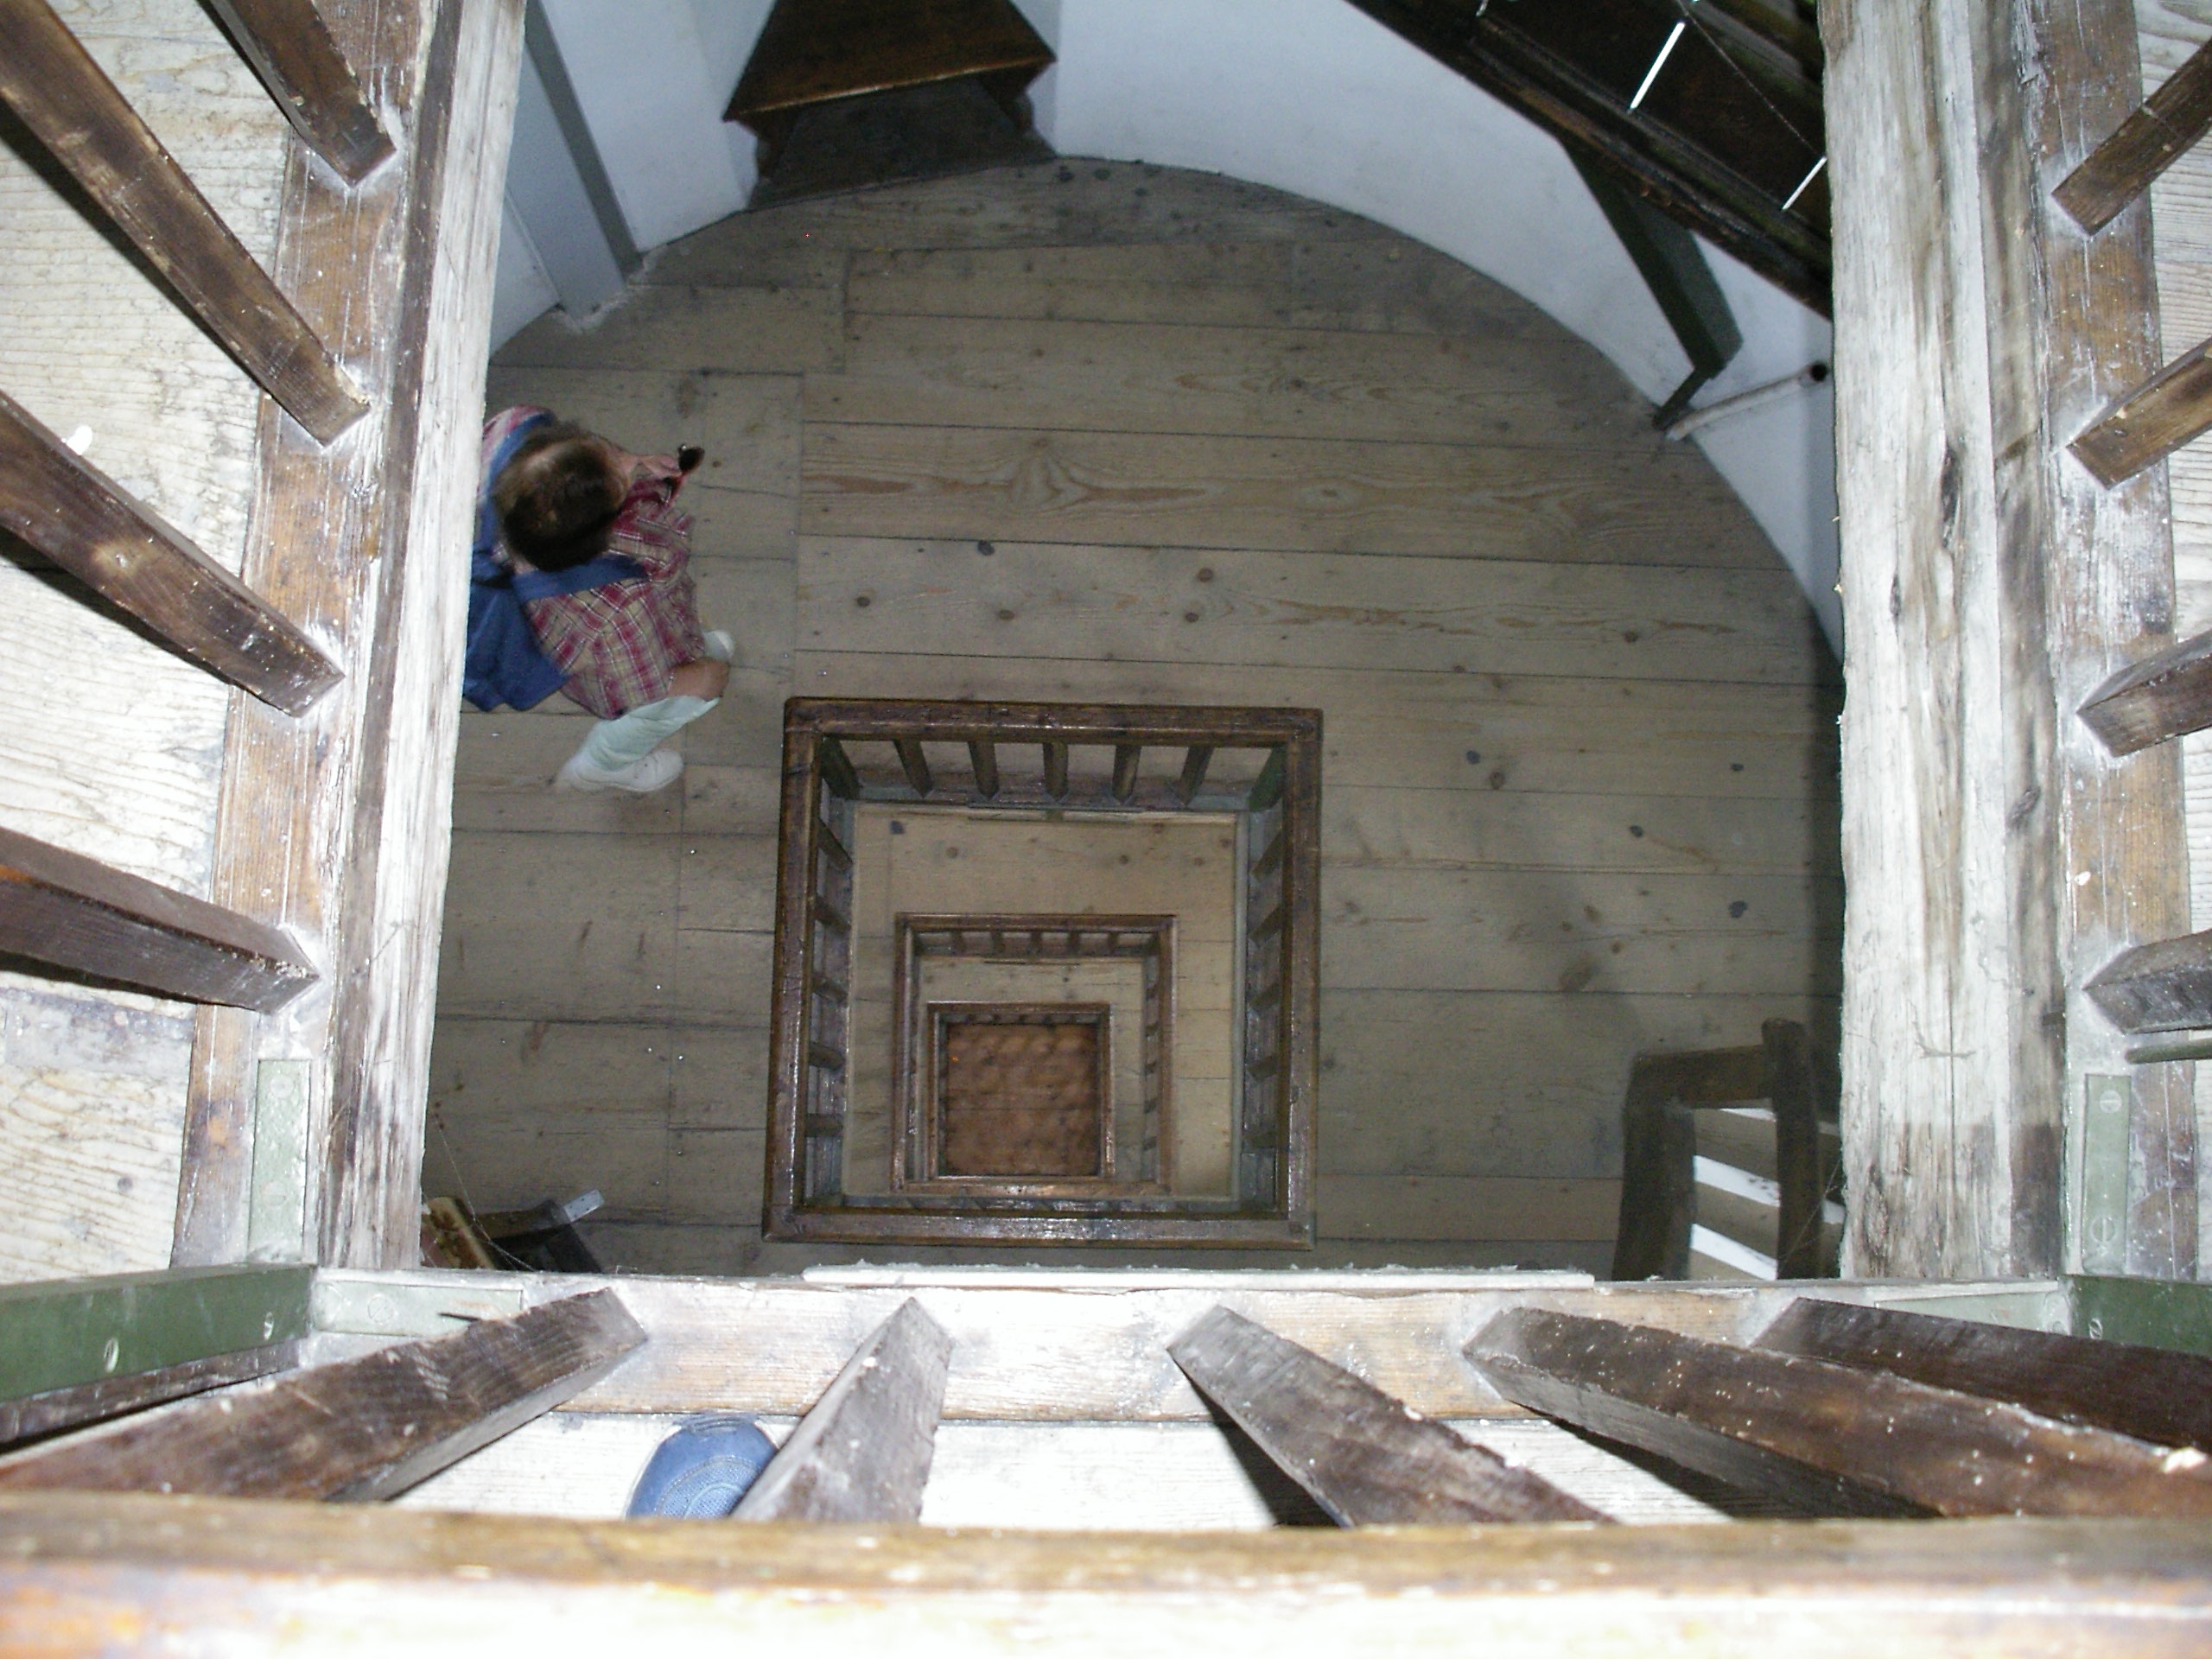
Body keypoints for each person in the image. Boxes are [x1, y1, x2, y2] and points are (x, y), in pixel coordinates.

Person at [474, 406, 731, 794]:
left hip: (593, 630)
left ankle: (693, 653)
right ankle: (604, 766)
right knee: (658, 710)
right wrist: (702, 679)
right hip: (618, 673)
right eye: (617, 470)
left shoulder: (516, 452)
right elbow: (639, 686)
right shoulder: (615, 606)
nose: (627, 461)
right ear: (601, 529)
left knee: (687, 660)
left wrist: (633, 464)